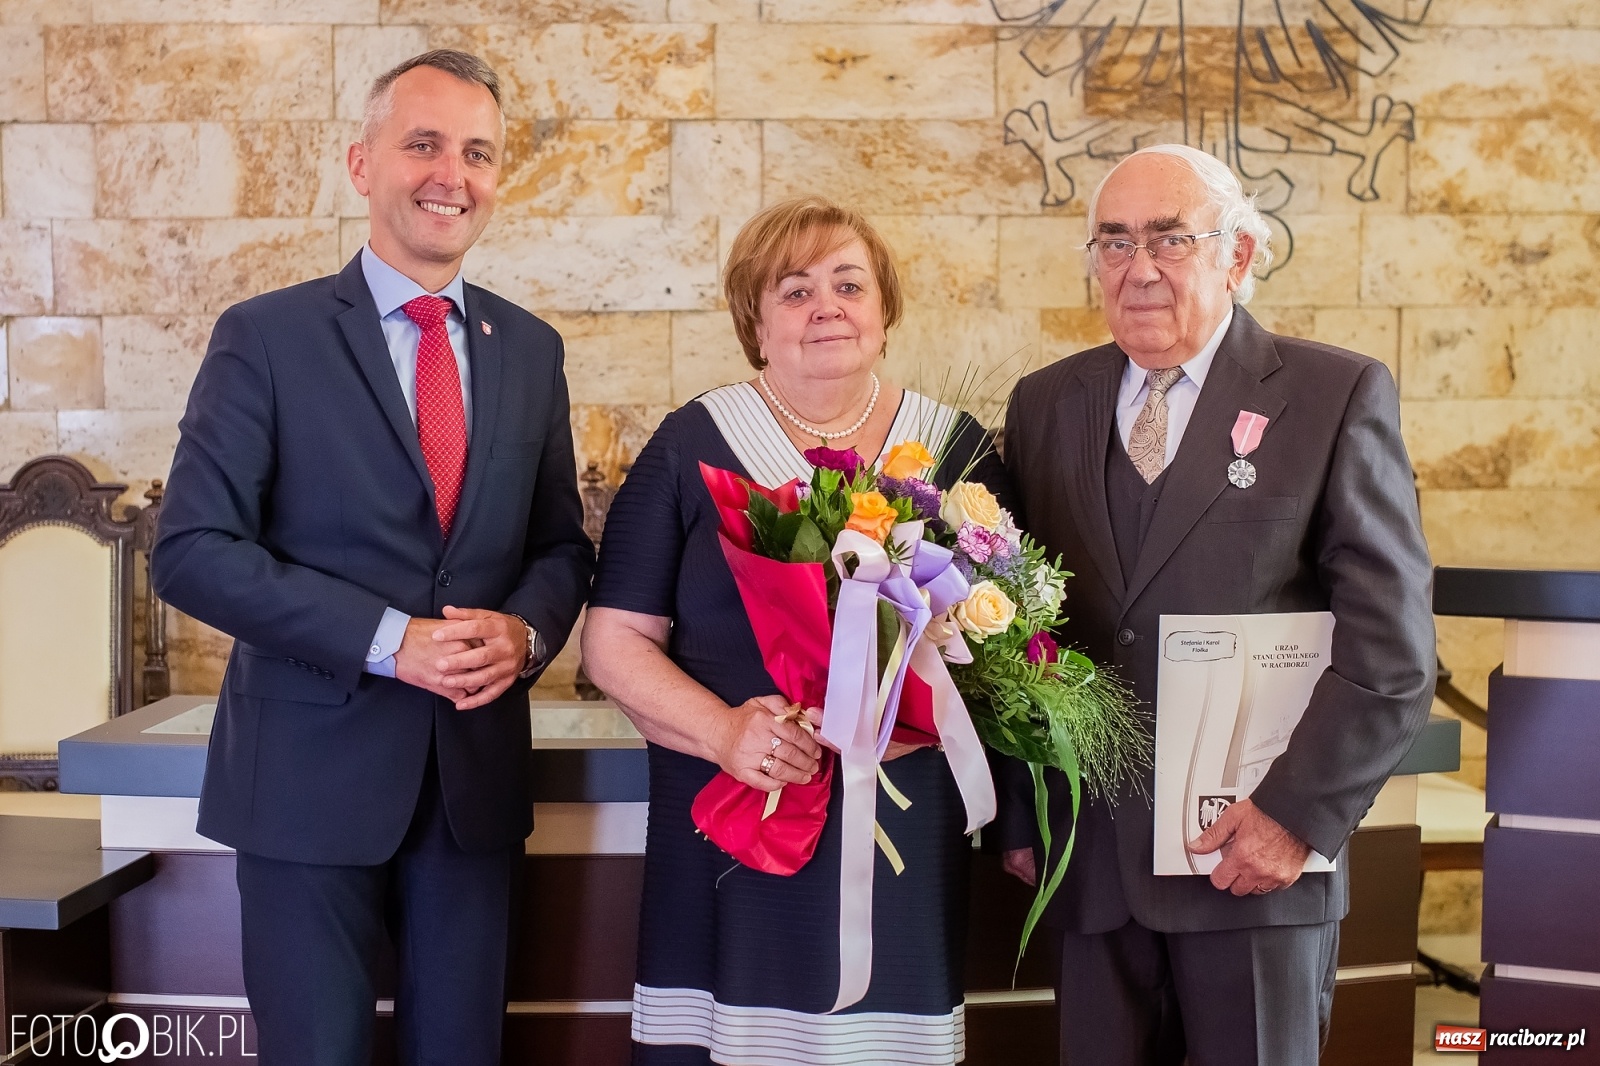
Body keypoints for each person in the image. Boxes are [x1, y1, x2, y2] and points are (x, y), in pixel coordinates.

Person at [151, 50, 594, 1066]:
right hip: (305, 787)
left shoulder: (531, 350)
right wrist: (392, 642)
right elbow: (190, 551)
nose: (453, 172)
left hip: (472, 791)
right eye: (424, 143)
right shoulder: (265, 337)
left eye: (477, 152)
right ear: (362, 164)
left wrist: (526, 631)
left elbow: (561, 545)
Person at [995, 143, 1436, 1065]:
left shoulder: (1333, 395)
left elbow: (1391, 650)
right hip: (1093, 866)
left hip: (1254, 863)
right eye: (1114, 243)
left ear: (1237, 256)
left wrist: (1297, 817)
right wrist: (1025, 811)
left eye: (1169, 239)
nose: (1139, 268)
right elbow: (1012, 633)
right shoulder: (1044, 405)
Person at [582, 196, 1006, 1066]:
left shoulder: (955, 451)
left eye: (849, 285)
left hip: (904, 819)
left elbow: (1001, 639)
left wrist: (910, 715)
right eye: (795, 291)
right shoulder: (691, 444)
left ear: (883, 312)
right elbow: (614, 640)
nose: (828, 308)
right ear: (756, 322)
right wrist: (726, 732)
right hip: (733, 816)